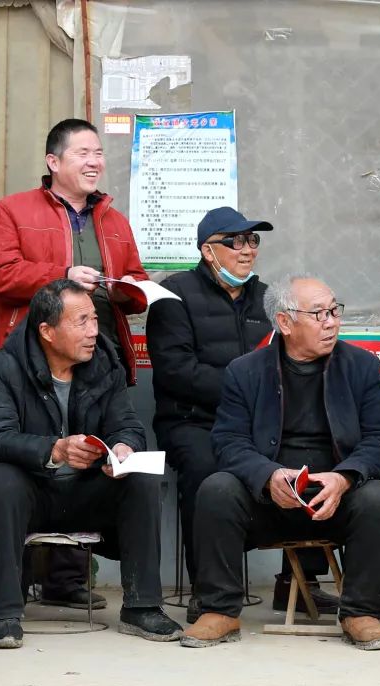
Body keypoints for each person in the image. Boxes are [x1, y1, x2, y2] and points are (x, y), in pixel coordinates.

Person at [181, 275, 380, 650]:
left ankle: (362, 613)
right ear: (285, 322)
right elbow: (228, 441)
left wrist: (344, 478)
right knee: (216, 489)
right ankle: (219, 610)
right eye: (318, 314)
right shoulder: (245, 371)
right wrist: (267, 477)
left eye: (334, 311)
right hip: (269, 501)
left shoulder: (361, 366)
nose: (331, 322)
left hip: (335, 499)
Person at [0, 118, 148, 612]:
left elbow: (135, 280)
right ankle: (19, 586)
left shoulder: (113, 219)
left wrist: (126, 289)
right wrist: (62, 273)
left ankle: (69, 580)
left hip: (100, 359)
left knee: (92, 452)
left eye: (98, 153)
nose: (95, 161)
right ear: (53, 162)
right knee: (38, 457)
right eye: (83, 153)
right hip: (37, 356)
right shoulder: (14, 210)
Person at [0, 280, 181, 649]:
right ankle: (3, 614)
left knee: (140, 477)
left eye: (95, 319)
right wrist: (55, 449)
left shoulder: (105, 363)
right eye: (82, 321)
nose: (93, 331)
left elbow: (128, 425)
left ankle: (142, 607)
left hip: (87, 491)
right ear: (47, 331)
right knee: (2, 479)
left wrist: (123, 447)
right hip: (33, 493)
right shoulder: (4, 369)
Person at [146, 206, 277, 622]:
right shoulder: (174, 294)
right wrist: (244, 392)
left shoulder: (267, 298)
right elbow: (176, 370)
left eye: (252, 240)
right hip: (192, 420)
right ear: (208, 250)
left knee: (307, 452)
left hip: (255, 422)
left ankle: (301, 580)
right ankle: (209, 589)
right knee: (206, 472)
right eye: (235, 241)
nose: (247, 249)